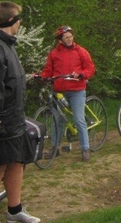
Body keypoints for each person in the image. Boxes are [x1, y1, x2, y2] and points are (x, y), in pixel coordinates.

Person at [0, 1, 41, 223]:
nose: (21, 23)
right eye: (19, 19)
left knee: (17, 162)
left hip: (14, 118)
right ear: (12, 21)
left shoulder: (7, 45)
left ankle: (15, 211)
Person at [41, 25, 96, 162]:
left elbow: (90, 68)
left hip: (77, 90)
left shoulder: (81, 51)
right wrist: (41, 76)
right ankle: (55, 148)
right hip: (59, 91)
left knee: (78, 119)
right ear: (60, 40)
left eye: (71, 36)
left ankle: (85, 148)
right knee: (56, 120)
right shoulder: (54, 54)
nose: (70, 39)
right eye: (67, 38)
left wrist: (82, 74)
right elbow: (48, 70)